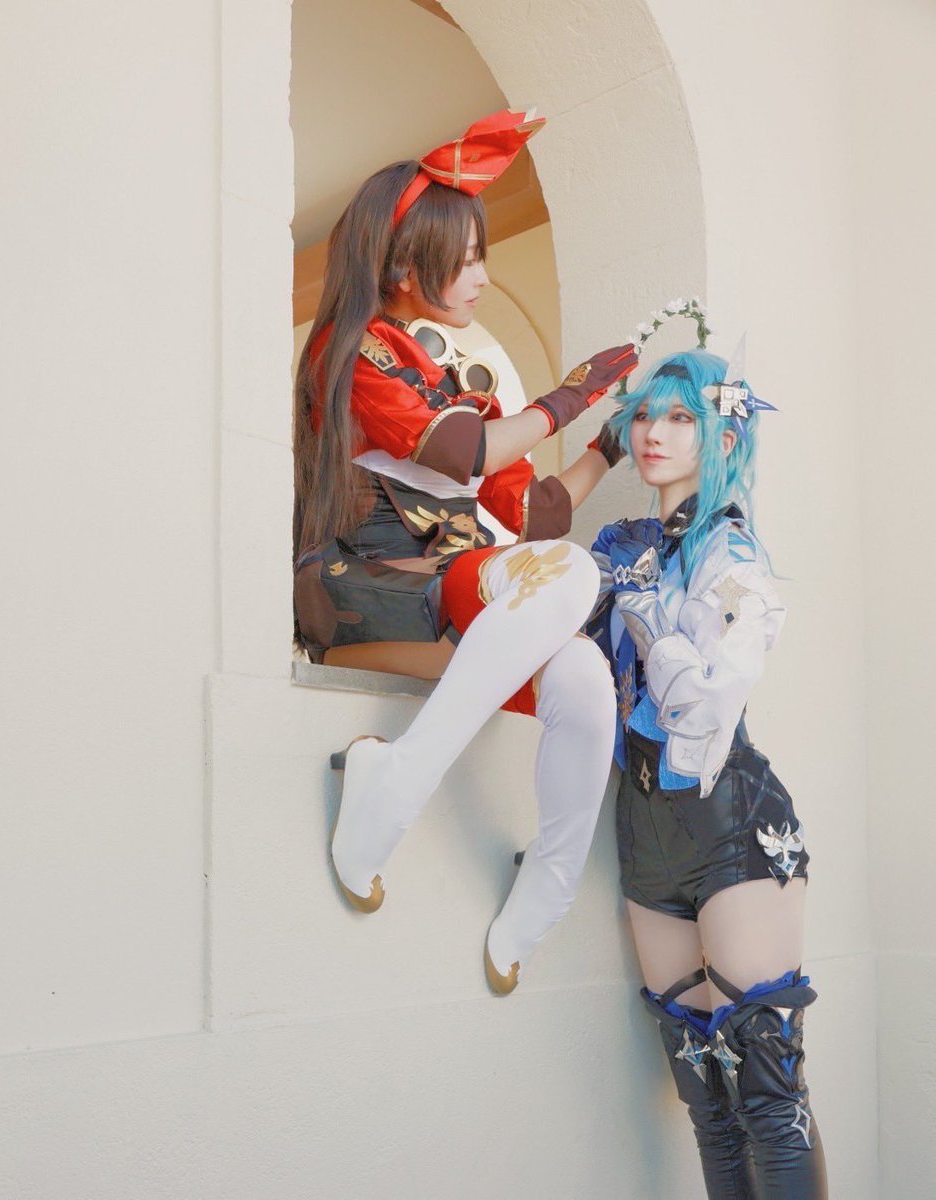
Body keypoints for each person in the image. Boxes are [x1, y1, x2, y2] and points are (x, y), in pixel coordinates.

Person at [292, 109, 635, 993]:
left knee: (583, 672)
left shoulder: (442, 380)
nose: (483, 275)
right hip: (364, 591)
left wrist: (607, 441)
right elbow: (461, 454)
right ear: (404, 268)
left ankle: (547, 883)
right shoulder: (352, 350)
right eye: (469, 258)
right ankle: (395, 784)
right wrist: (563, 400)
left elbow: (536, 514)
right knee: (572, 577)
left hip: (445, 598)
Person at [589, 338, 828, 1197]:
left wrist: (643, 608)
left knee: (767, 1097)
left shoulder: (732, 559)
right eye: (644, 415)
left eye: (680, 418)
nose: (653, 432)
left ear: (721, 437)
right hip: (644, 830)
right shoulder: (627, 548)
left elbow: (700, 708)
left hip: (731, 823)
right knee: (706, 1105)